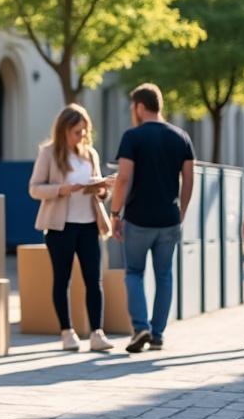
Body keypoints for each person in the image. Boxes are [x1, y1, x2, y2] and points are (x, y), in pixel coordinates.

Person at [109, 84, 195, 354]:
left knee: (134, 273)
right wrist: (181, 210)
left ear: (139, 107)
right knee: (164, 276)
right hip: (169, 219)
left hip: (138, 219)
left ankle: (140, 327)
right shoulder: (181, 137)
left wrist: (114, 212)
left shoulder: (132, 137)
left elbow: (123, 178)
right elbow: (190, 178)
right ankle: (157, 335)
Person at [28, 104, 116, 351]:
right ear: (64, 130)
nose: (82, 136)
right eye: (78, 131)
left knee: (93, 279)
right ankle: (67, 332)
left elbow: (100, 195)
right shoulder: (48, 154)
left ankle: (97, 333)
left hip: (89, 225)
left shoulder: (91, 154)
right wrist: (61, 190)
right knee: (62, 279)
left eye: (85, 131)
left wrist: (101, 190)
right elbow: (34, 188)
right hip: (60, 227)